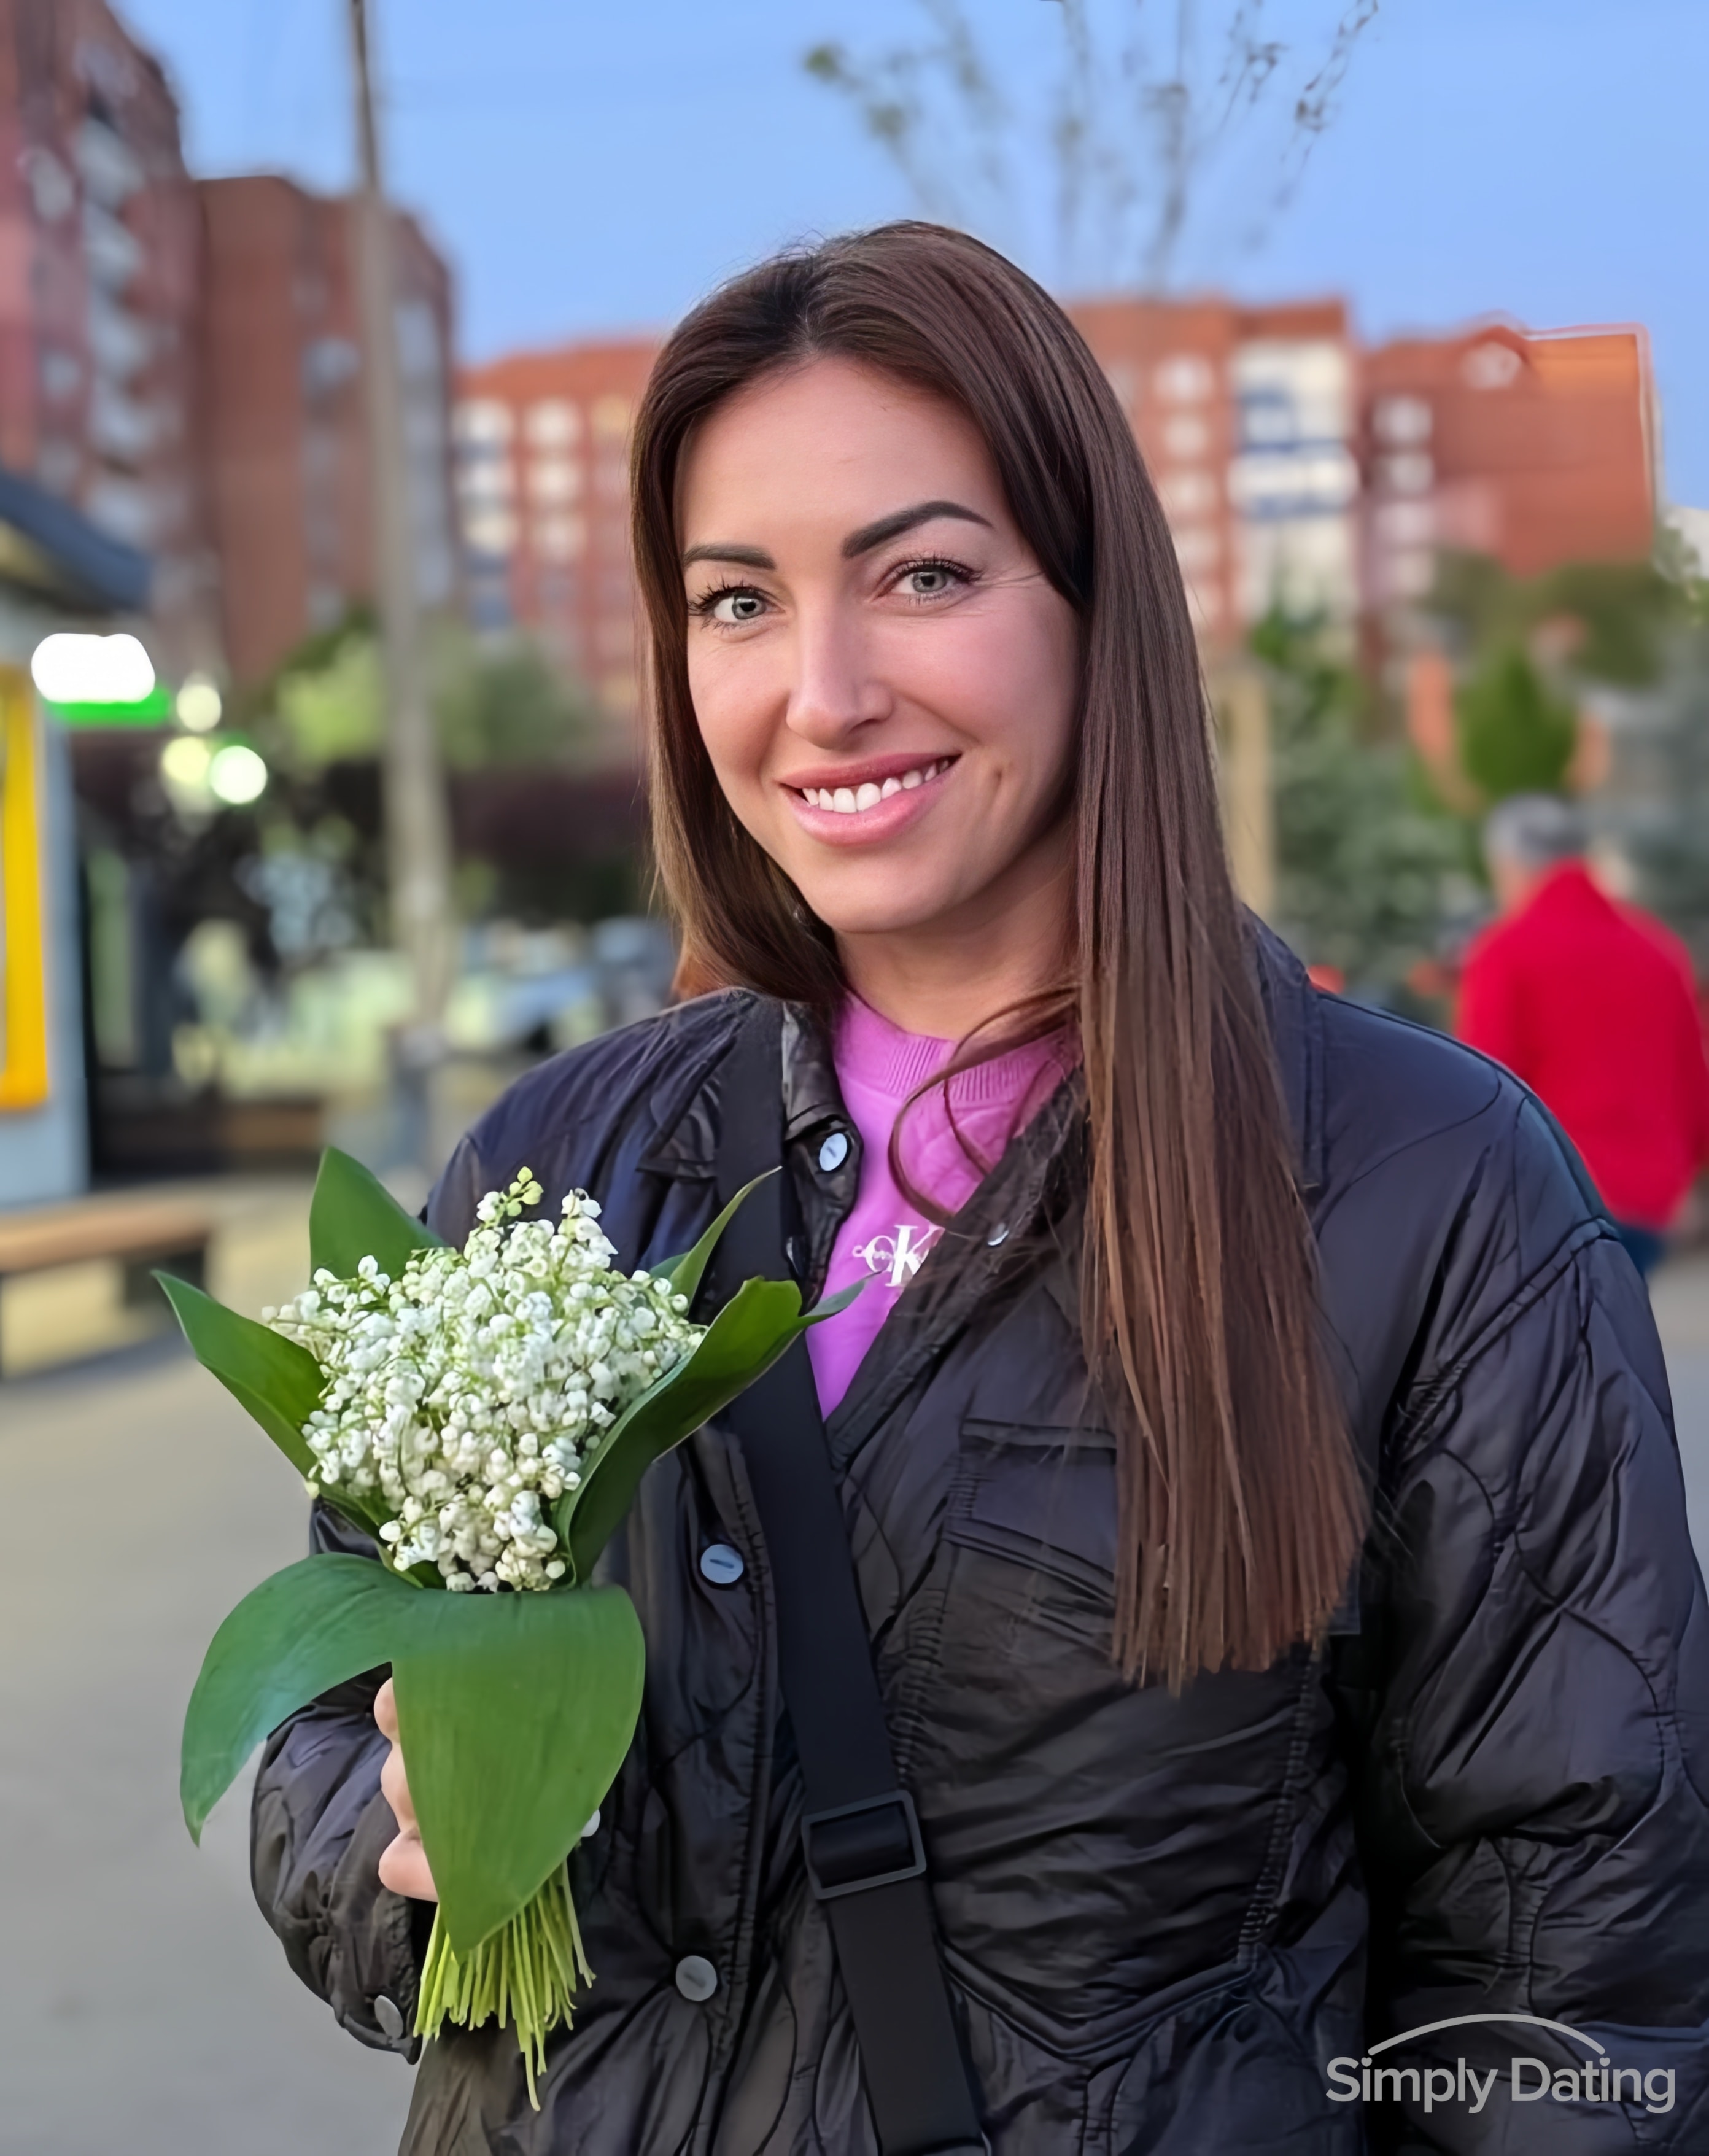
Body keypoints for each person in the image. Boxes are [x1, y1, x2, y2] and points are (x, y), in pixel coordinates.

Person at [252, 227, 1709, 2152]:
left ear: (1096, 603)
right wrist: (405, 1845)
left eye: (922, 575)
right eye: (738, 600)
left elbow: (1576, 1979)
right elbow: (326, 1718)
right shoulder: (561, 1165)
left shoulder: (1421, 1192)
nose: (825, 691)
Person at [1458, 793, 1709, 1277]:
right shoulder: (1657, 949)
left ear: (1509, 865)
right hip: (1649, 1193)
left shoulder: (1505, 952)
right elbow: (1693, 1078)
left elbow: (1487, 1085)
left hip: (1548, 1191)